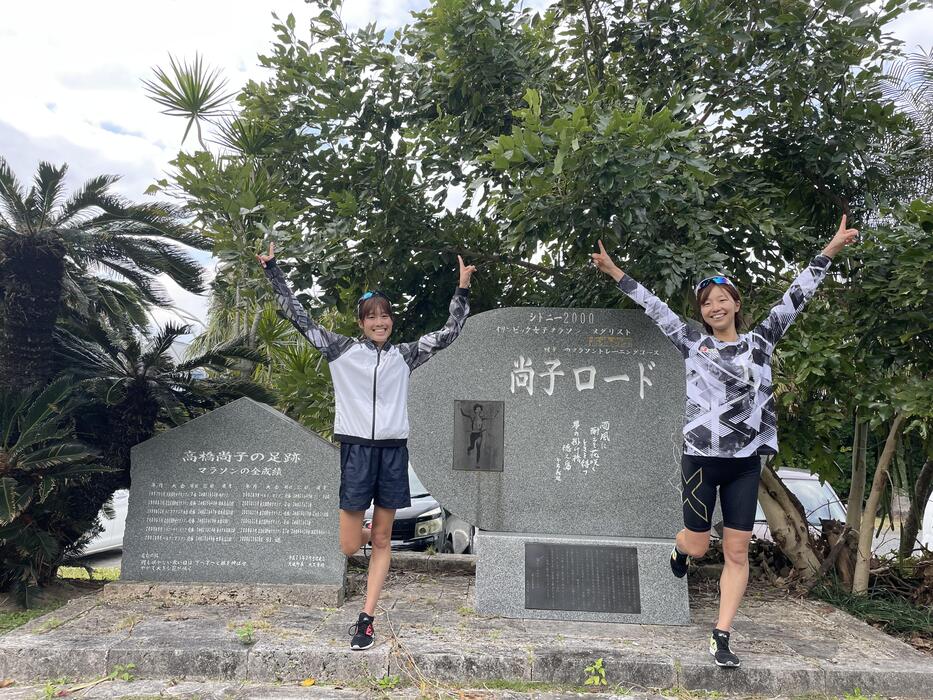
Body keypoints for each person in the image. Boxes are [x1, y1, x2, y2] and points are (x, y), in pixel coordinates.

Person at [591, 216, 858, 668]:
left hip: (745, 462)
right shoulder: (692, 342)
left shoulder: (761, 343)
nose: (714, 307)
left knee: (736, 551)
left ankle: (721, 635)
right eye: (707, 303)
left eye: (722, 300)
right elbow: (656, 309)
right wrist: (616, 272)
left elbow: (796, 298)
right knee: (698, 545)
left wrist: (829, 251)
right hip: (700, 458)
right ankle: (680, 550)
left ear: (735, 304)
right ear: (702, 313)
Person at [257, 242, 476, 650]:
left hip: (393, 454)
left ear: (391, 321)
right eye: (372, 317)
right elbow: (297, 317)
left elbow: (448, 335)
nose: (380, 322)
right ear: (361, 323)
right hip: (356, 453)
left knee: (381, 542)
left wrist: (461, 290)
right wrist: (274, 272)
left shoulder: (405, 356)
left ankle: (366, 619)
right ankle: (372, 529)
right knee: (349, 543)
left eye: (385, 315)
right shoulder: (340, 351)